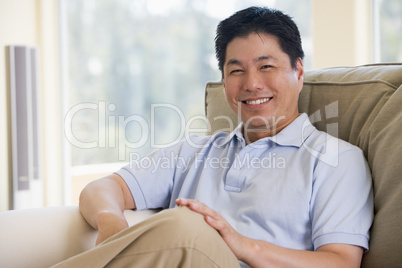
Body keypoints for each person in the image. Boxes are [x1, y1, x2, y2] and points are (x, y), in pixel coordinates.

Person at [56, 6, 373, 268]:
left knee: (189, 226)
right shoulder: (196, 149)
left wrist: (242, 246)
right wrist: (112, 223)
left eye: (266, 66)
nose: (251, 84)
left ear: (298, 72)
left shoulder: (337, 159)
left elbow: (341, 262)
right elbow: (102, 189)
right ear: (224, 82)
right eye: (236, 71)